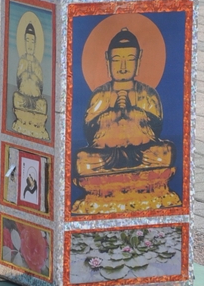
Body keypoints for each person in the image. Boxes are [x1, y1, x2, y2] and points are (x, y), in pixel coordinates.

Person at [73, 27, 180, 215]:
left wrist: (134, 113)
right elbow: (89, 131)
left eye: (129, 59)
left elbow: (156, 129)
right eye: (117, 60)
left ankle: (111, 195)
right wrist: (112, 113)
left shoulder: (147, 93)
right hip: (107, 156)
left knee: (165, 152)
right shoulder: (100, 94)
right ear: (108, 61)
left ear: (138, 61)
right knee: (83, 159)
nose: (123, 66)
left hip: (142, 154)